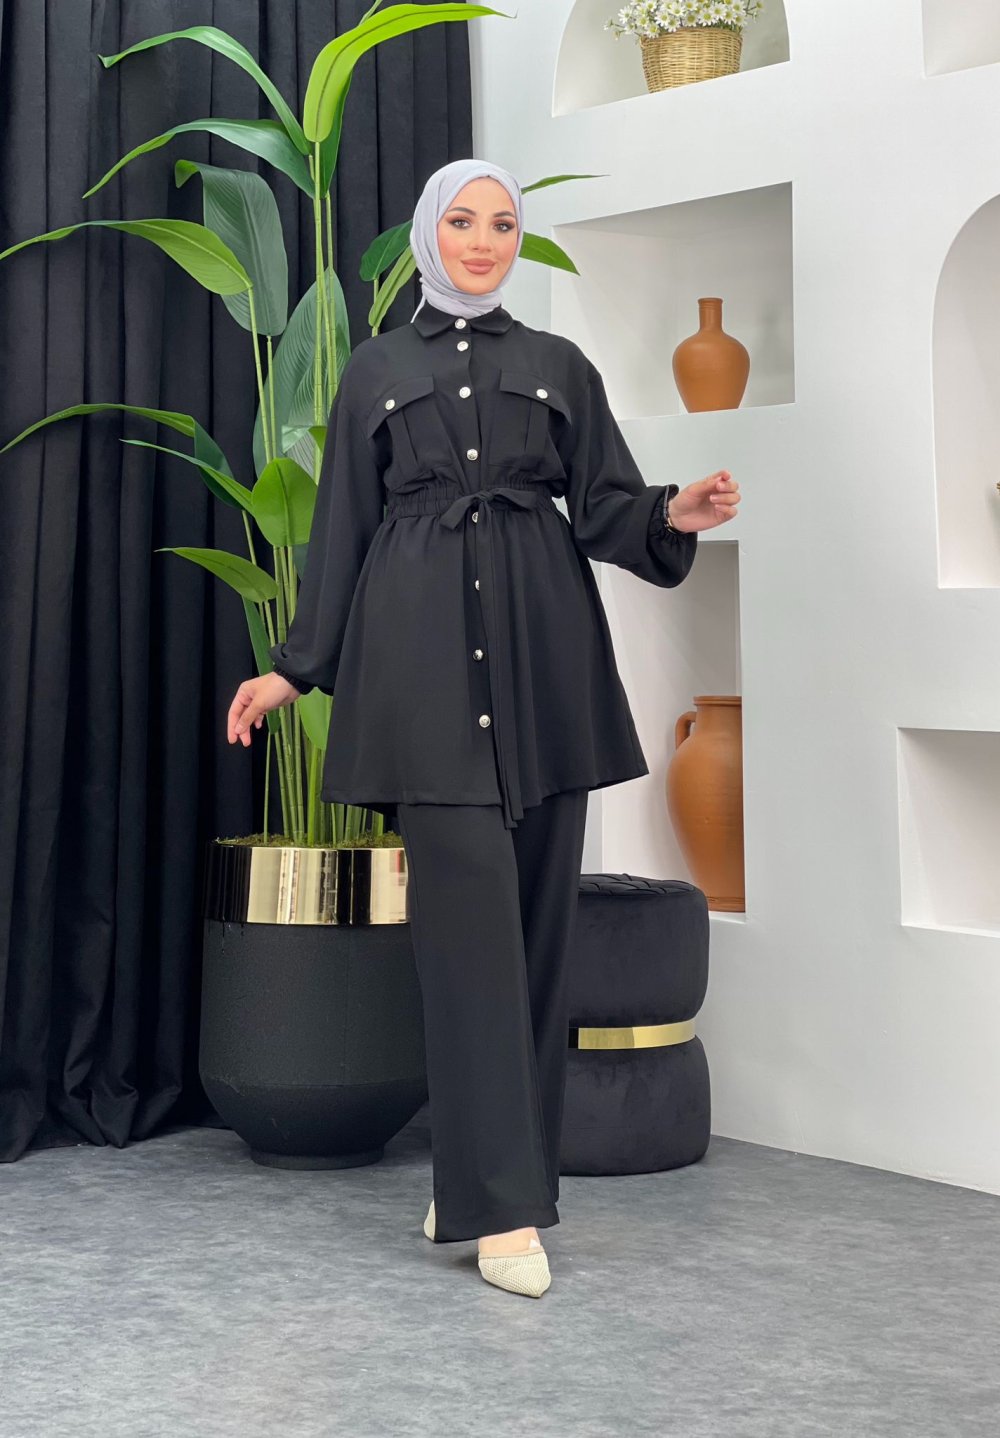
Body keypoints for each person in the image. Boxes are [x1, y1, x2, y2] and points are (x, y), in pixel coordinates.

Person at [227, 158, 741, 1298]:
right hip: (420, 682)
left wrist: (672, 510)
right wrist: (293, 671)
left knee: (538, 947)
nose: (482, 240)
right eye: (461, 221)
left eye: (502, 224)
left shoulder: (559, 367)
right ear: (429, 232)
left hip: (546, 672)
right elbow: (342, 533)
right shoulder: (375, 372)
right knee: (468, 955)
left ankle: (485, 1177)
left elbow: (605, 506)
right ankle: (502, 1214)